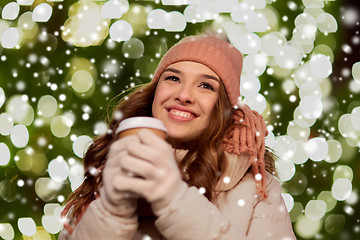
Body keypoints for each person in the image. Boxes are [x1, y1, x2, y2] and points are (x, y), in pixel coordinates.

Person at [59, 34, 296, 240]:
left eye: (205, 86)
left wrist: (175, 200)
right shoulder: (104, 172)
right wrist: (112, 210)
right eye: (173, 78)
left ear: (224, 109)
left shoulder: (255, 188)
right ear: (154, 93)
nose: (184, 95)